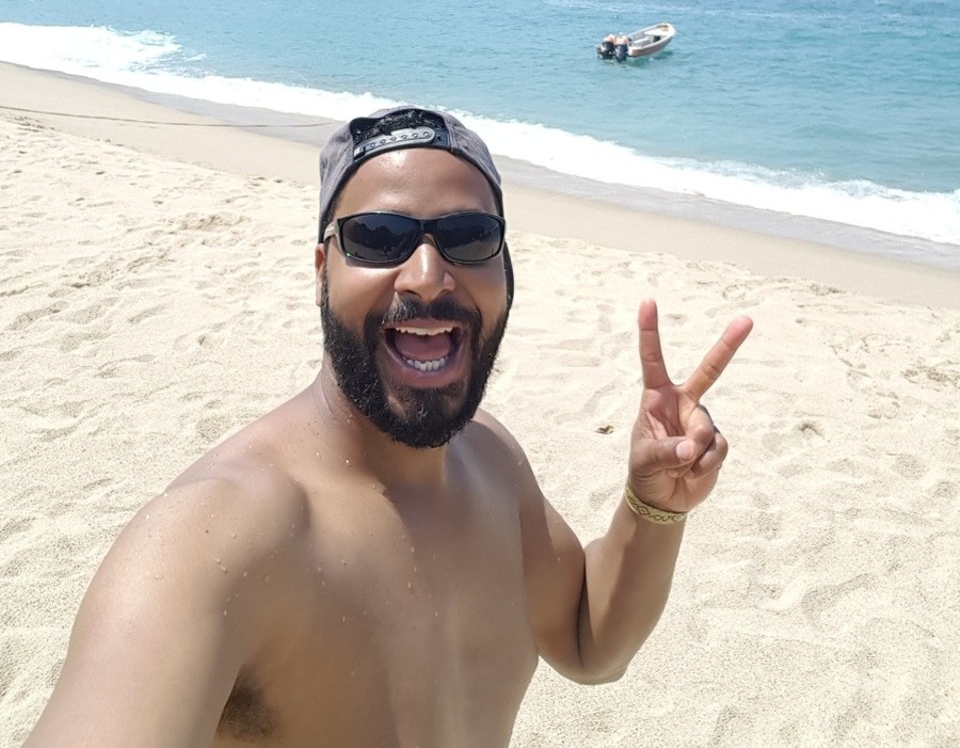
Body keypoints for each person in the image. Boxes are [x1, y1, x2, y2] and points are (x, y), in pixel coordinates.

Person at [25, 105, 752, 748]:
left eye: (469, 237)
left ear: (504, 266)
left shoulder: (492, 461)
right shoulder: (215, 538)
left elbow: (592, 641)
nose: (428, 276)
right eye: (378, 237)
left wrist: (653, 505)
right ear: (321, 270)